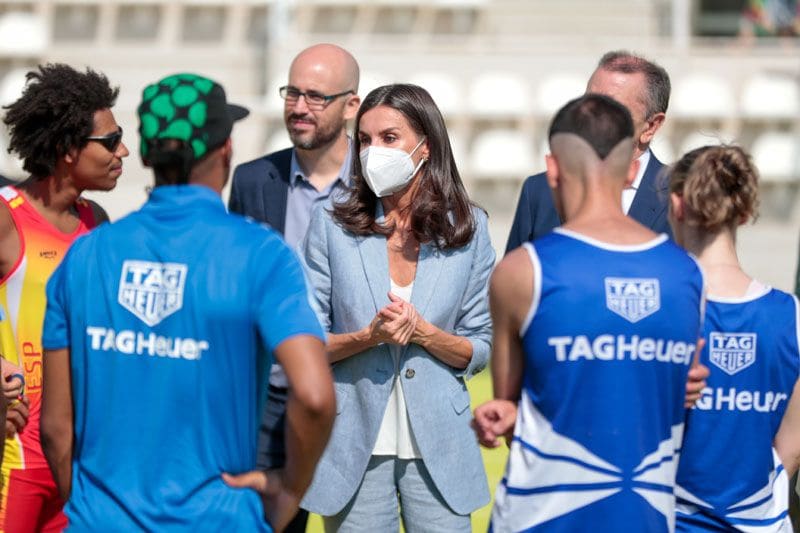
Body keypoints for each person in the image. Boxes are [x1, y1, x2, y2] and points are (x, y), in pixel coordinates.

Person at [39, 73, 335, 532]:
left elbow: (57, 428)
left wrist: (91, 510)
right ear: (225, 150)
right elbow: (315, 397)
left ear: (148, 154)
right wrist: (289, 491)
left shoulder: (86, 255)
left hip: (100, 520)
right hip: (217, 519)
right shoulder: (260, 255)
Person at [473, 94, 706, 532]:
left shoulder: (521, 272)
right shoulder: (687, 276)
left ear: (553, 169)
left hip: (539, 517)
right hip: (646, 516)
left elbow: (510, 410)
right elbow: (681, 400)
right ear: (633, 170)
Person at [299, 83, 494, 531]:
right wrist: (369, 337)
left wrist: (425, 333)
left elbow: (479, 347)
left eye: (389, 138)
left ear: (426, 146)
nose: (372, 152)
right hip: (353, 445)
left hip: (440, 444)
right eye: (364, 140)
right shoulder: (331, 226)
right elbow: (305, 342)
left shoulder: (470, 229)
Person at [228, 43, 360, 532]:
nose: (299, 107)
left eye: (315, 97)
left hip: (354, 392)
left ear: (351, 105)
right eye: (292, 93)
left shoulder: (380, 186)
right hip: (269, 400)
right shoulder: (252, 180)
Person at [0, 63, 126, 532]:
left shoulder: (101, 223)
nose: (123, 151)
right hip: (15, 455)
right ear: (66, 148)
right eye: (110, 141)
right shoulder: (6, 217)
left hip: (82, 455)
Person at [668, 145, 800, 532]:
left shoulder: (660, 313)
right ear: (744, 213)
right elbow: (790, 449)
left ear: (677, 205)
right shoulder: (791, 316)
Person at [506, 50, 673, 253]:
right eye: (588, 103)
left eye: (611, 110)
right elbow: (516, 279)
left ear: (651, 126)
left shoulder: (682, 196)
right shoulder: (539, 191)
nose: (589, 117)